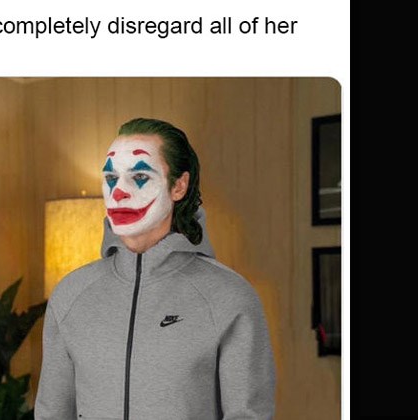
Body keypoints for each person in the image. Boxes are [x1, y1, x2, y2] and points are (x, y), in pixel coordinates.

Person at [34, 118, 275, 419]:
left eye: (139, 176)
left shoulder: (229, 297)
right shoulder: (71, 295)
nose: (118, 192)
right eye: (111, 177)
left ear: (178, 186)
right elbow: (52, 413)